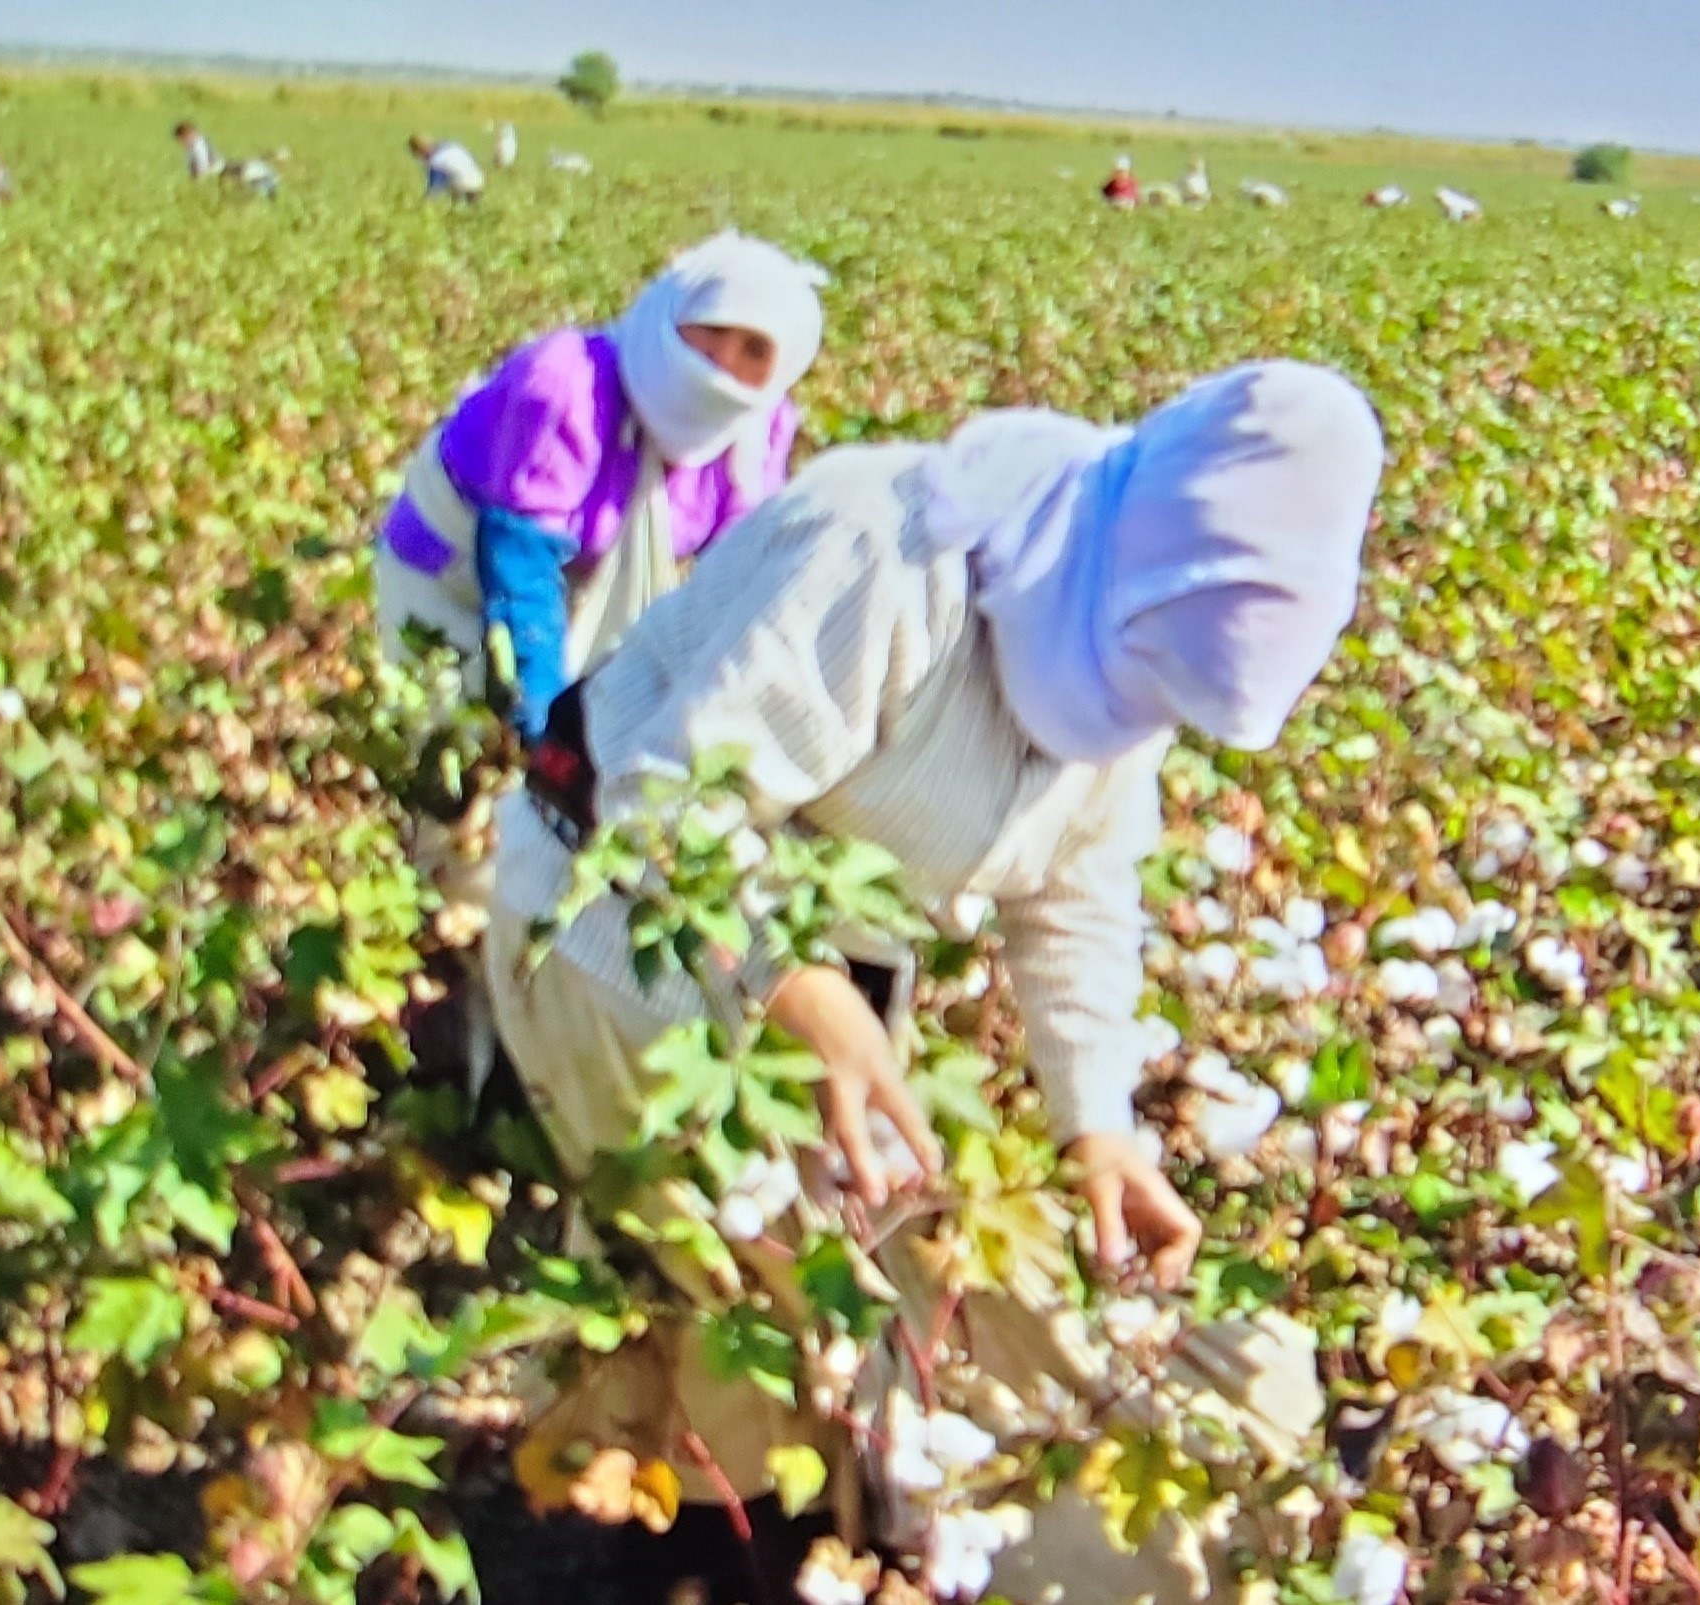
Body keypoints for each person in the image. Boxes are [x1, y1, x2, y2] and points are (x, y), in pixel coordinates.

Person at [486, 359, 1384, 1605]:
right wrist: (806, 997)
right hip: (610, 935)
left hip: (821, 974)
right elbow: (666, 810)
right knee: (731, 1265)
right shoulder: (887, 554)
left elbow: (1077, 896)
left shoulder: (1120, 626)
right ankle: (696, 1547)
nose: (1142, 714)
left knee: (820, 1276)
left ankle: (784, 1522)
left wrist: (1099, 1126)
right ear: (1152, 548)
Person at [372, 231, 828, 1094]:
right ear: (671, 315)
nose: (723, 363)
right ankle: (454, 918)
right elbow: (517, 571)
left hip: (587, 572)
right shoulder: (568, 384)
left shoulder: (755, 429)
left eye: (753, 352)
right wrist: (545, 728)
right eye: (710, 332)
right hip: (453, 574)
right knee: (454, 743)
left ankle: (526, 917)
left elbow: (735, 577)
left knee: (601, 735)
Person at [411, 135, 487, 204]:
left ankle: (456, 205)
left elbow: (434, 186)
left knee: (448, 181)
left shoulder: (436, 161)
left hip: (463, 184)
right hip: (479, 179)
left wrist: (423, 202)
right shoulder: (451, 145)